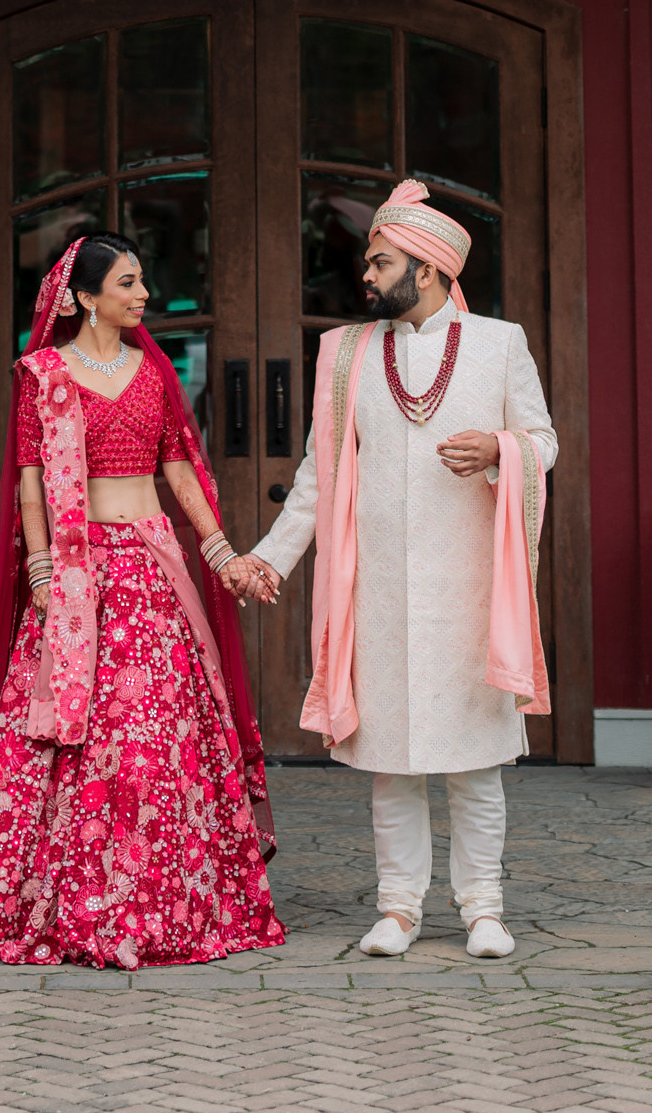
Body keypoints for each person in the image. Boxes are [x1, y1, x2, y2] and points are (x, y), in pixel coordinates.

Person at [0, 232, 283, 969]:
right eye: (128, 283)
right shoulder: (44, 375)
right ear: (84, 297)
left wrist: (221, 554)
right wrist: (42, 572)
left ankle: (166, 903)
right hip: (77, 574)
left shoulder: (152, 373)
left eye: (142, 280)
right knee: (68, 742)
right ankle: (70, 903)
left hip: (152, 574)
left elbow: (179, 472)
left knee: (157, 741)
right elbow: (31, 479)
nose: (144, 295)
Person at [235, 179, 556, 961]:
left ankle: (483, 910)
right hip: (376, 591)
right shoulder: (345, 353)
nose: (367, 275)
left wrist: (500, 451)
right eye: (369, 262)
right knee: (391, 768)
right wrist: (270, 557)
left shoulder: (499, 344)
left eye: (381, 262)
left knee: (475, 767)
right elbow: (319, 473)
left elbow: (542, 443)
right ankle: (399, 909)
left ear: (429, 268)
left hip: (469, 591)